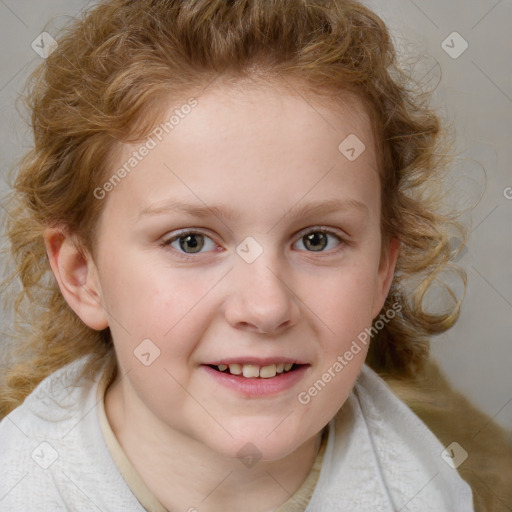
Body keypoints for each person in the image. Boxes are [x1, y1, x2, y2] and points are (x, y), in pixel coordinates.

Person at [0, 0, 510, 511]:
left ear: (382, 270)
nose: (266, 307)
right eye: (191, 242)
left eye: (317, 239)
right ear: (82, 274)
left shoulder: (428, 493)